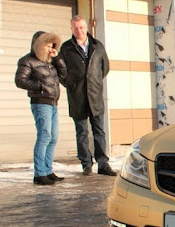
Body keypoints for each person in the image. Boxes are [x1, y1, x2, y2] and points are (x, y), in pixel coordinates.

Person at [59, 15, 116, 176]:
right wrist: (72, 84)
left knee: (99, 131)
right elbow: (61, 72)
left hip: (95, 96)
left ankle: (103, 164)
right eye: (75, 28)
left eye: (81, 27)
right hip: (77, 97)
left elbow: (104, 68)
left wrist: (94, 82)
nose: (79, 30)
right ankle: (86, 164)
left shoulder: (97, 46)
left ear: (87, 28)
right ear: (72, 29)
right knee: (82, 132)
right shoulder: (66, 48)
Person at [15, 31, 67, 185]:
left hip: (53, 103)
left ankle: (48, 170)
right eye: (47, 46)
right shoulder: (27, 60)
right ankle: (39, 173)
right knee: (44, 136)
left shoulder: (50, 62)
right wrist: (39, 86)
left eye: (52, 46)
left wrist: (57, 58)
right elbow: (20, 80)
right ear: (38, 45)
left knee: (53, 137)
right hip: (40, 102)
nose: (50, 49)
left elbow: (64, 76)